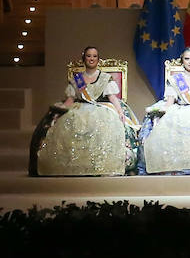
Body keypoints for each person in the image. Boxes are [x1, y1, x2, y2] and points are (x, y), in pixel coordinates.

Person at [30, 46, 138, 176]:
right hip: (79, 108)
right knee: (67, 125)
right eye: (88, 56)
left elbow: (112, 97)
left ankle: (101, 165)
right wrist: (60, 111)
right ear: (84, 59)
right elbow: (70, 100)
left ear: (98, 59)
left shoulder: (104, 78)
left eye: (94, 56)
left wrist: (120, 112)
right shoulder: (77, 79)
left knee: (103, 126)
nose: (91, 58)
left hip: (100, 109)